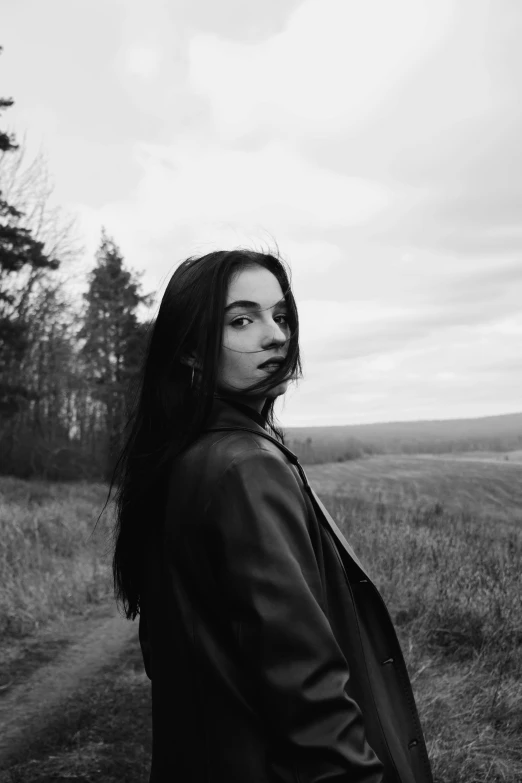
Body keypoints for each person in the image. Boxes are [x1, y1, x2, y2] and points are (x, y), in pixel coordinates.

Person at [111, 249, 434, 783]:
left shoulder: (182, 458)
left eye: (280, 316)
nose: (277, 336)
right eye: (242, 319)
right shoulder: (246, 469)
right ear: (190, 352)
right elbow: (307, 689)